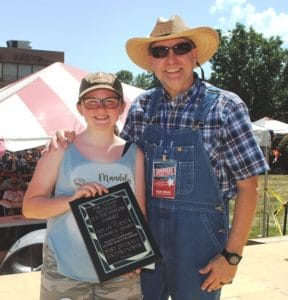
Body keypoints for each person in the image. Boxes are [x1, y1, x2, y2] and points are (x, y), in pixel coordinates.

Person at [53, 15, 269, 300]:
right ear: (151, 61)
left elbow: (248, 186)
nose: (171, 59)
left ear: (194, 55)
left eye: (180, 48)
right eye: (159, 51)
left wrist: (232, 256)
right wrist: (72, 137)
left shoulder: (225, 107)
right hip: (148, 242)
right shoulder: (142, 107)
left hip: (200, 248)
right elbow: (119, 162)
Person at [23, 72, 146, 300]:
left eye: (110, 101)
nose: (101, 109)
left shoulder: (134, 153)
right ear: (80, 107)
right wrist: (72, 201)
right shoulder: (60, 148)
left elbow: (140, 214)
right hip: (64, 270)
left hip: (120, 272)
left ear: (121, 107)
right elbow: (30, 208)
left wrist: (139, 256)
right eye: (92, 102)